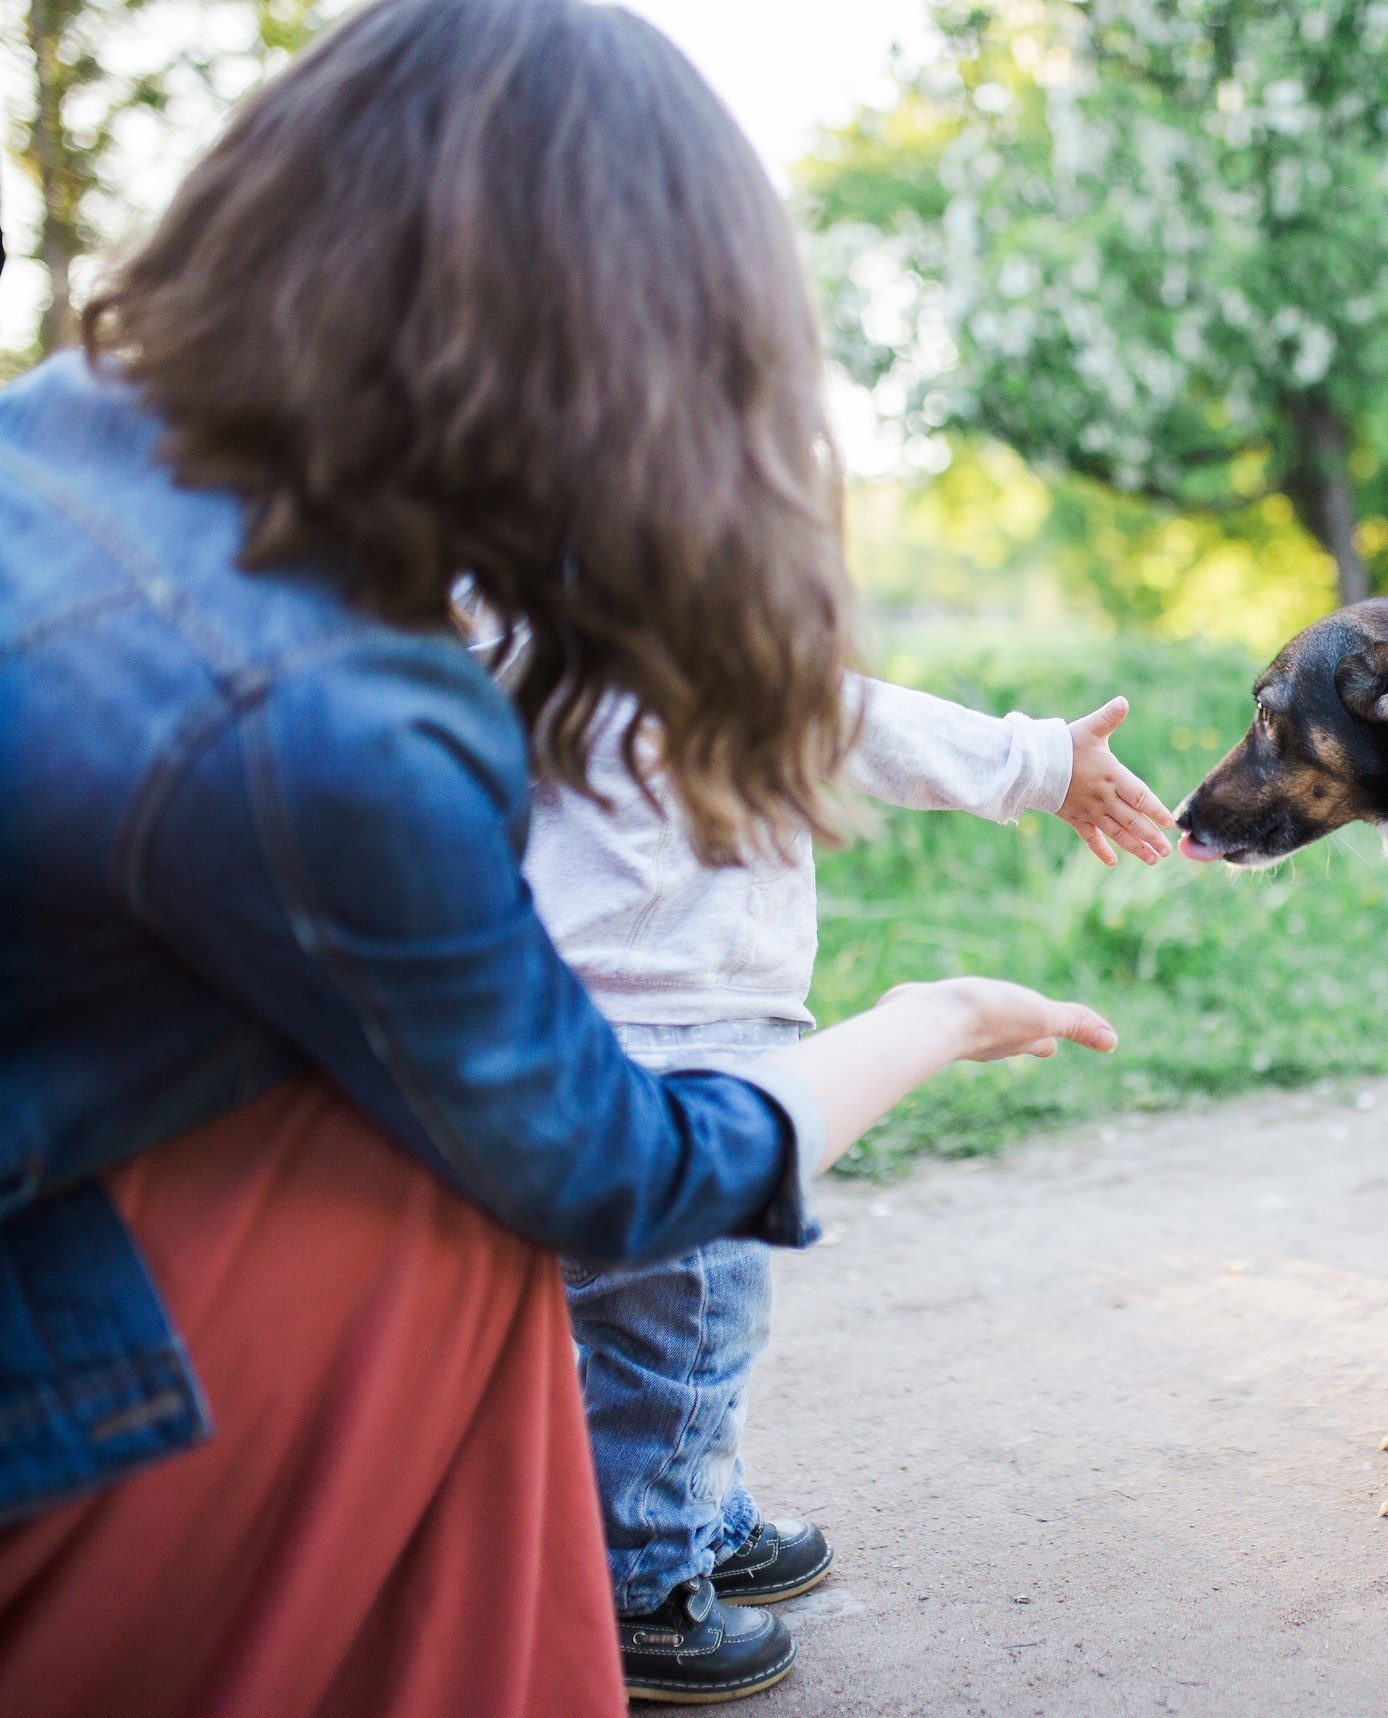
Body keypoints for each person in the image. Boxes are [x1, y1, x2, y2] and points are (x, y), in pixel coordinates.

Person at [0, 3, 1111, 1714]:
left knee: (639, 1327)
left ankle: (666, 1519)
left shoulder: (72, 433)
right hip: (64, 1340)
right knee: (515, 1239)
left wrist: (1035, 767)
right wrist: (940, 1014)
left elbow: (855, 714)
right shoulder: (334, 715)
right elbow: (602, 1166)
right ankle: (633, 1581)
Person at [509, 664, 1172, 1699]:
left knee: (622, 1315)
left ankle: (698, 1512)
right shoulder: (671, 608)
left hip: (544, 1022)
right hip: (682, 1040)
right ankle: (643, 1587)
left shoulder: (501, 608)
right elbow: (854, 719)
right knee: (685, 1328)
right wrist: (1041, 762)